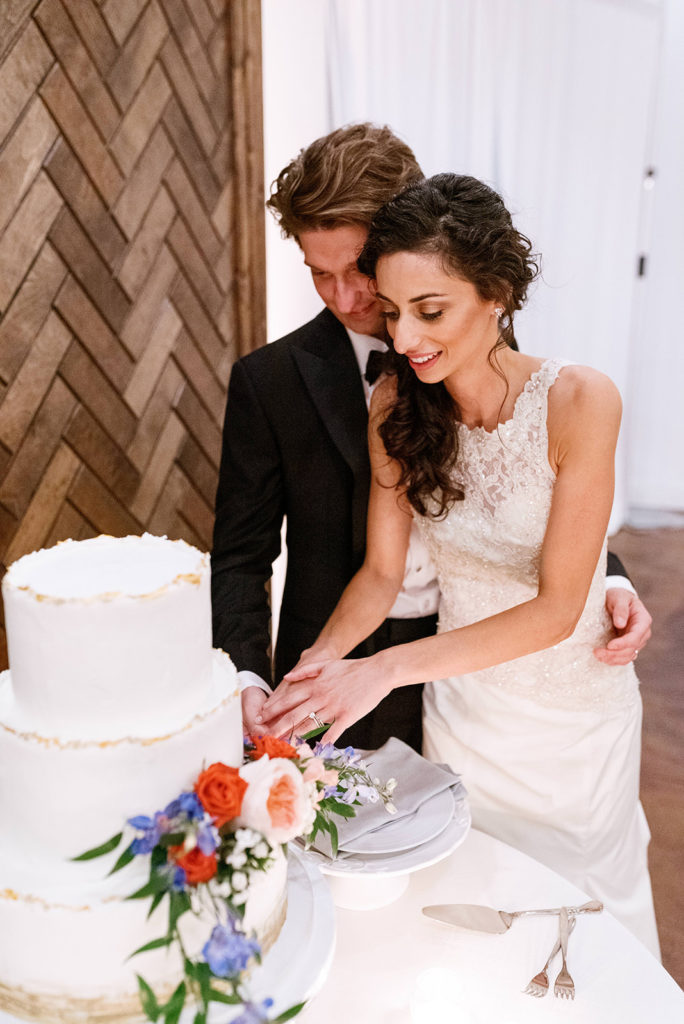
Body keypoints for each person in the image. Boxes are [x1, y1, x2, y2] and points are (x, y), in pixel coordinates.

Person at [257, 173, 660, 954]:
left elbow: (555, 605)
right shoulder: (394, 405)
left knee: (584, 920)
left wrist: (383, 671)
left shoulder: (581, 401)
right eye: (395, 312)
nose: (404, 340)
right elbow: (380, 576)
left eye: (430, 311)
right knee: (480, 913)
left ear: (497, 293)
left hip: (572, 721)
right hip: (463, 714)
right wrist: (316, 667)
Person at [211, 123, 651, 752]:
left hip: (493, 663)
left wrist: (609, 580)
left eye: (360, 270)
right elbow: (241, 556)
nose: (344, 297)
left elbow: (533, 486)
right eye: (319, 274)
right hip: (343, 664)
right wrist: (255, 676)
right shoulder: (269, 382)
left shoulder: (477, 336)